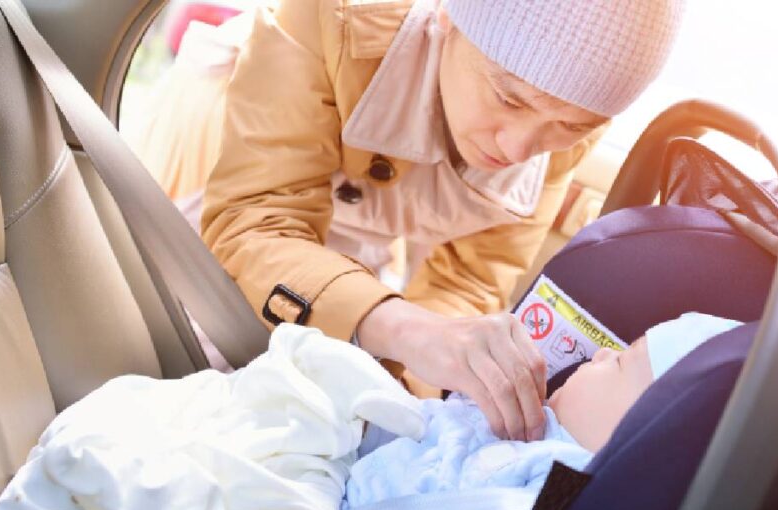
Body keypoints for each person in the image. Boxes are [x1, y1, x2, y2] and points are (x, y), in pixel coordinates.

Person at [193, 0, 685, 443]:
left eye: (570, 128)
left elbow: (469, 281)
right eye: (509, 99)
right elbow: (254, 223)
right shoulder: (331, 19)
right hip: (235, 223)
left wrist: (391, 409)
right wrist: (406, 331)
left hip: (364, 272)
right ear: (447, 16)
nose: (518, 149)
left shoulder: (564, 124)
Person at [240, 313, 742, 510]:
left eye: (621, 362)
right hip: (335, 463)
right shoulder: (540, 428)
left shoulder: (566, 485)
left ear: (644, 431)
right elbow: (429, 427)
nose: (602, 352)